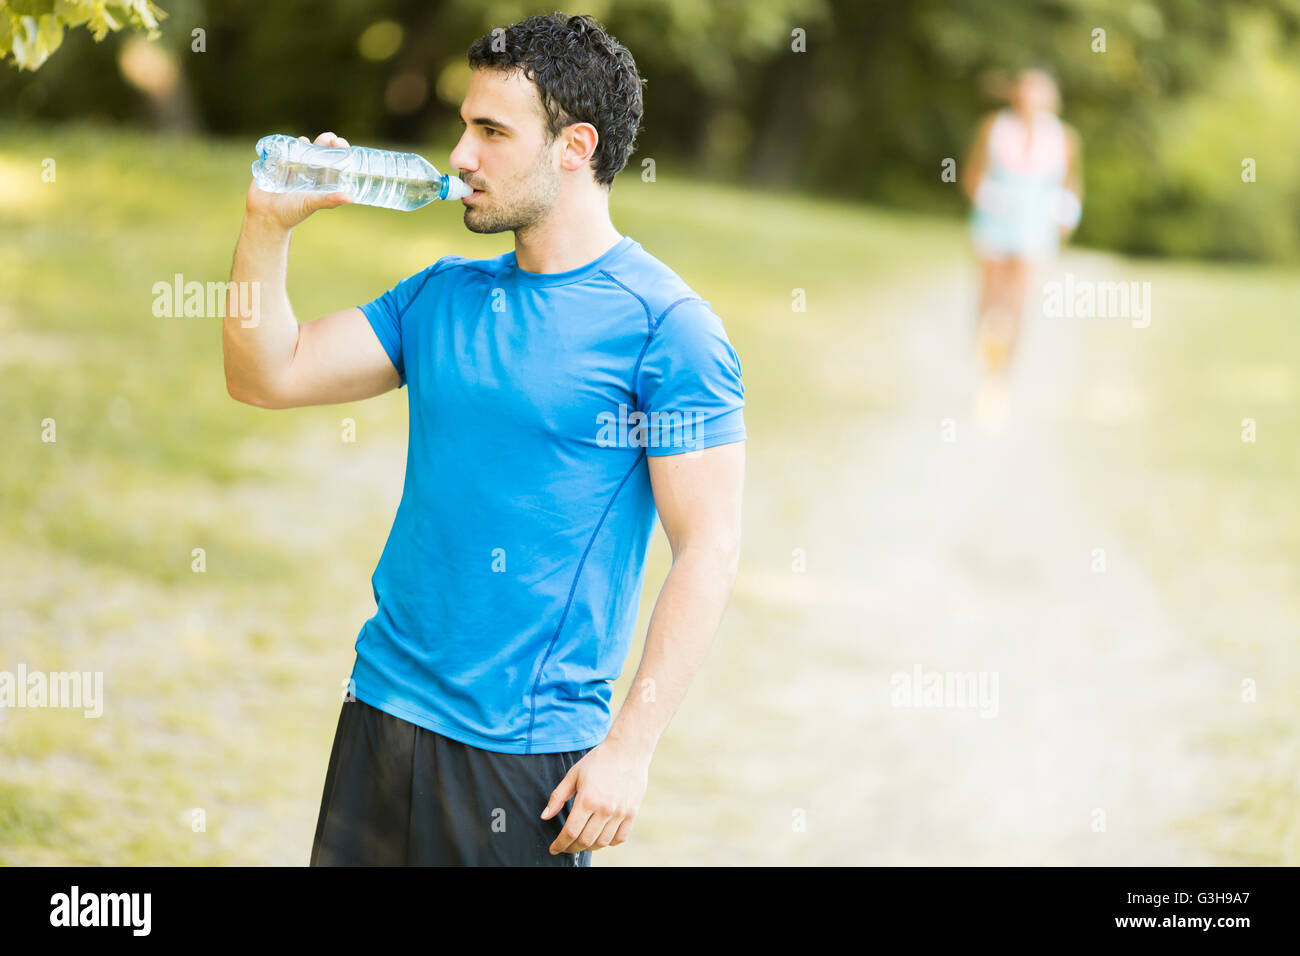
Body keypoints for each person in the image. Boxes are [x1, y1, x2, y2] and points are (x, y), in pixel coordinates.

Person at [221, 13, 747, 866]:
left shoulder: (668, 330)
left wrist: (631, 750)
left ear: (574, 147)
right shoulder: (441, 295)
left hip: (524, 760)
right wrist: (266, 227)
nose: (460, 155)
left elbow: (709, 546)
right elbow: (266, 374)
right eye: (466, 126)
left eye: (491, 132)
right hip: (382, 711)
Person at [962, 67, 1082, 427]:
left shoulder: (1065, 138)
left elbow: (1071, 186)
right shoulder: (993, 128)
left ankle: (999, 382)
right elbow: (972, 175)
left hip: (1034, 228)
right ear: (1017, 96)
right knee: (989, 302)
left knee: (1017, 304)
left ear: (1050, 100)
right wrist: (986, 196)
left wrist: (1064, 218)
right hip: (995, 222)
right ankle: (986, 363)